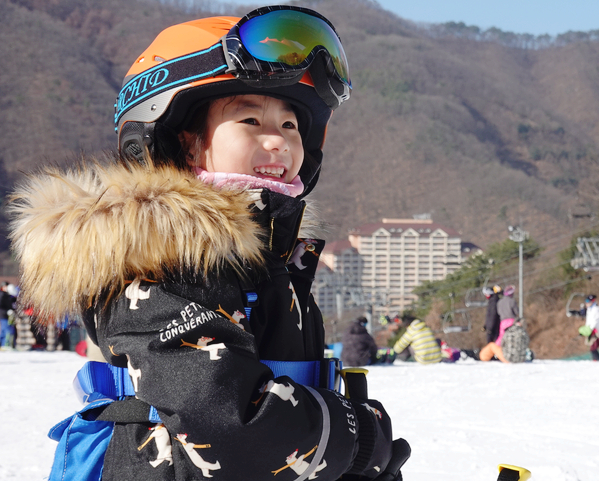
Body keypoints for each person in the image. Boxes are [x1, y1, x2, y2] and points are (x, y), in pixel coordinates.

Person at [10, 7, 408, 481]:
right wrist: (358, 440)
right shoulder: (161, 257)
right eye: (250, 120)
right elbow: (231, 421)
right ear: (184, 141)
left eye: (289, 126)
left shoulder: (273, 257)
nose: (278, 141)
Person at [581, 294, 599, 361]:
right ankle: (596, 359)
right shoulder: (589, 309)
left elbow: (595, 321)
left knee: (593, 347)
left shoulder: (596, 309)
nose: (586, 303)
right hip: (590, 331)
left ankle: (597, 360)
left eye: (588, 301)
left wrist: (589, 329)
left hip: (594, 331)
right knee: (593, 347)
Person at [0, 282, 17, 349]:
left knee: (5, 330)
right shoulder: (2, 295)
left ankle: (4, 345)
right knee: (6, 330)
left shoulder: (8, 296)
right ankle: (5, 345)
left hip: (7, 315)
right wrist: (7, 311)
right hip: (3, 315)